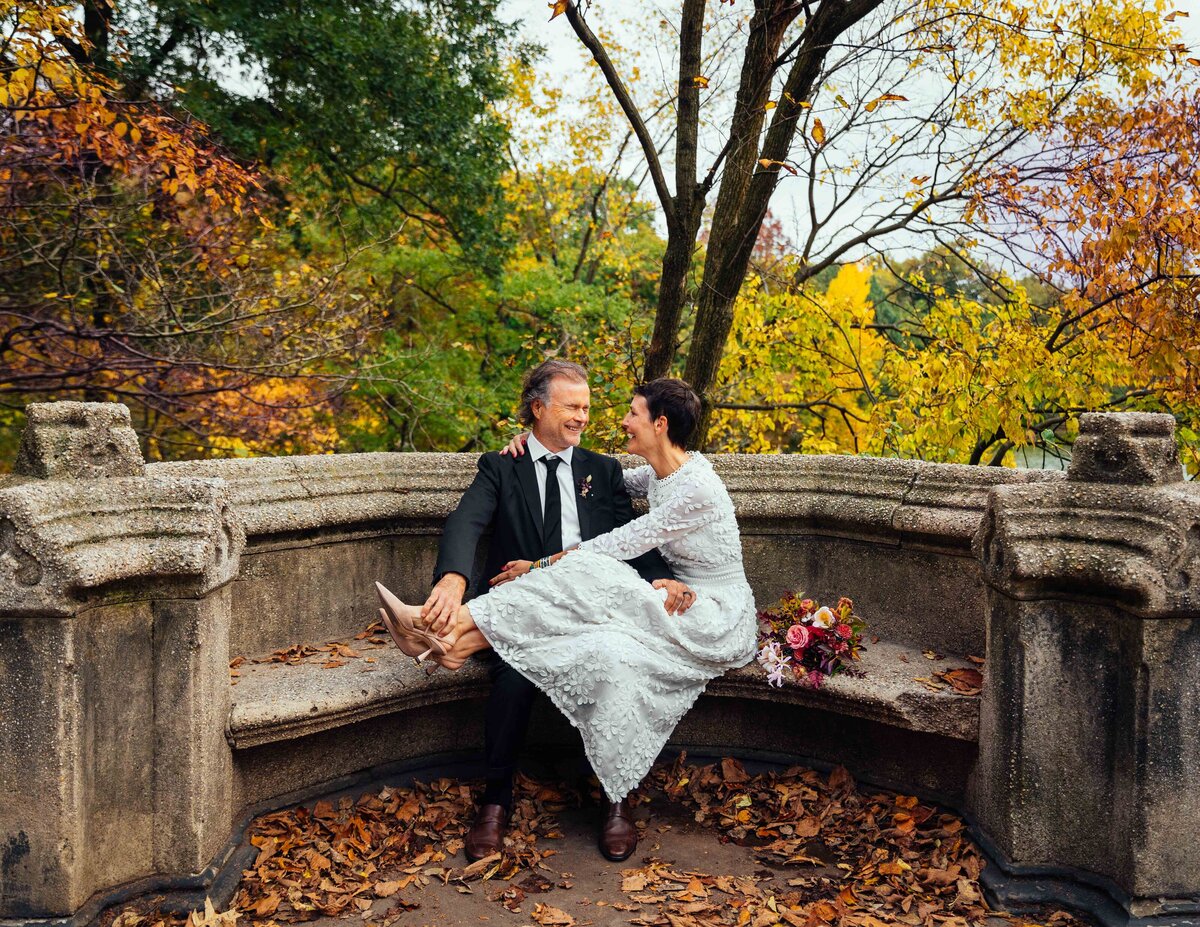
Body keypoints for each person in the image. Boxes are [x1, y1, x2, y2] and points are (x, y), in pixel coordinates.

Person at [388, 360, 697, 863]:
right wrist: (452, 578)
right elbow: (467, 520)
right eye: (572, 407)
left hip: (591, 613)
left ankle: (615, 799)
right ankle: (494, 804)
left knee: (616, 664)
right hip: (526, 614)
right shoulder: (501, 465)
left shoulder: (603, 469)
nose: (583, 417)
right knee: (512, 677)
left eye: (587, 408)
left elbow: (633, 539)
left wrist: (664, 576)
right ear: (538, 408)